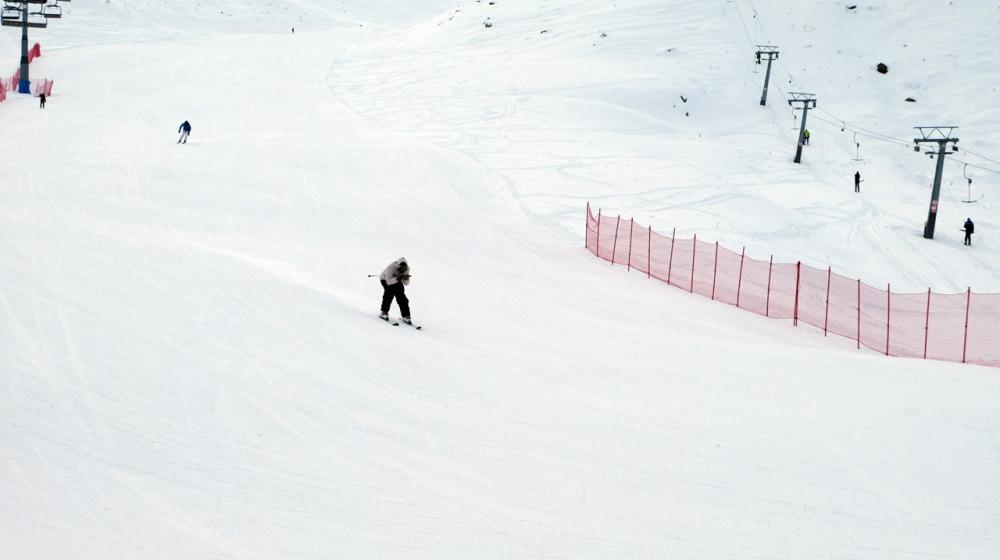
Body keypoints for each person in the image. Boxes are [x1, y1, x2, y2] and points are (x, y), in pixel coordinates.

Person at [379, 257, 412, 323]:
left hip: (397, 280)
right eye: (401, 268)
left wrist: (406, 278)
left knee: (401, 297)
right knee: (389, 293)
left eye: (404, 268)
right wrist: (398, 278)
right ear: (398, 266)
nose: (402, 270)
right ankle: (384, 312)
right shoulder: (391, 267)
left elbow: (406, 283)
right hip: (385, 279)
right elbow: (388, 282)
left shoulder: (407, 269)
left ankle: (406, 316)